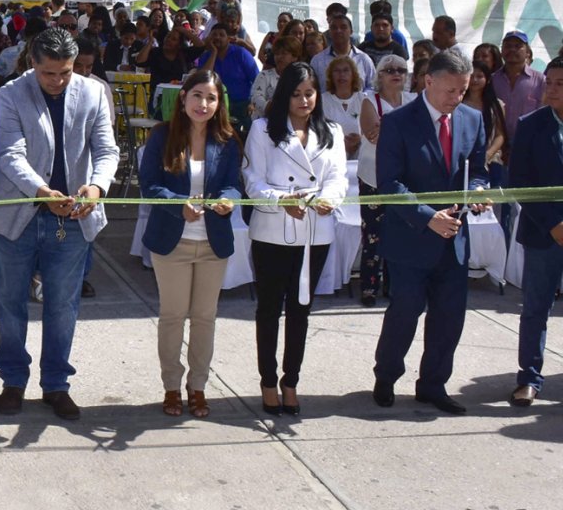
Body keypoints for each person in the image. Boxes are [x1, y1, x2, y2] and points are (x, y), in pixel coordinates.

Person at [0, 27, 119, 421]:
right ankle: (13, 380)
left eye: (66, 72)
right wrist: (41, 191)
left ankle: (56, 383)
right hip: (17, 218)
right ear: (32, 64)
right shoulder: (11, 94)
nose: (57, 81)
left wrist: (96, 187)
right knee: (10, 302)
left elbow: (107, 149)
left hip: (74, 218)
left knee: (63, 306)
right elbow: (10, 154)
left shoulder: (93, 93)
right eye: (48, 73)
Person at [373, 50, 489, 415]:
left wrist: (481, 191)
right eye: (451, 91)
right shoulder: (398, 122)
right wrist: (427, 216)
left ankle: (433, 385)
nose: (457, 99)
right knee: (405, 312)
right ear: (429, 82)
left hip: (454, 240)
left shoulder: (472, 119)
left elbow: (480, 169)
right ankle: (386, 376)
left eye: (462, 91)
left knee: (449, 316)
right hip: (411, 239)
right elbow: (389, 184)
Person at [243, 62, 348, 417]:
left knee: (301, 310)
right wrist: (279, 201)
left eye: (310, 94)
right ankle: (268, 380)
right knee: (269, 309)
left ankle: (292, 381)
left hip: (315, 233)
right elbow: (253, 181)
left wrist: (328, 199)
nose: (304, 101)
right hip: (273, 231)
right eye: (296, 94)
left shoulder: (330, 130)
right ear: (284, 95)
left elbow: (338, 179)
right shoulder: (262, 130)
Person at [139, 69, 241, 419]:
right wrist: (176, 204)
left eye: (212, 98)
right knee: (172, 317)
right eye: (197, 95)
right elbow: (149, 185)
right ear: (183, 97)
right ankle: (171, 386)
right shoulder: (162, 136)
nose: (204, 104)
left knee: (204, 318)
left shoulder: (227, 140)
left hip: (213, 244)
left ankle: (198, 387)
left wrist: (227, 200)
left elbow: (233, 184)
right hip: (173, 244)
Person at [506, 56, 563, 408]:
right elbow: (520, 183)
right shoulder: (530, 125)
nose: (551, 89)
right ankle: (529, 377)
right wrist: (555, 225)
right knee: (535, 307)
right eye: (550, 83)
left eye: (560, 84)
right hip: (545, 233)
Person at [357, 54, 417, 307]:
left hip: (405, 177)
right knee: (373, 235)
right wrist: (402, 133)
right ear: (379, 75)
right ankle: (369, 287)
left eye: (402, 70)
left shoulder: (414, 100)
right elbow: (373, 135)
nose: (397, 73)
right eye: (390, 69)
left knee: (404, 233)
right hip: (373, 177)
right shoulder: (368, 100)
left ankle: (396, 287)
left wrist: (389, 129)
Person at [197, 25, 260, 128]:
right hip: (216, 104)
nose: (217, 37)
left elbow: (257, 79)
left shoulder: (241, 53)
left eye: (221, 35)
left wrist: (254, 102)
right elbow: (203, 80)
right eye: (214, 35)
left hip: (242, 105)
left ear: (228, 39)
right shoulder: (206, 56)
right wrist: (214, 53)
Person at [463, 61, 507, 188]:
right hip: (465, 159)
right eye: (471, 76)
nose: (474, 80)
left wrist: (487, 154)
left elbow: (500, 135)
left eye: (479, 76)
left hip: (491, 160)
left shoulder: (496, 104)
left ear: (487, 79)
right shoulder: (458, 104)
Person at [494, 30, 544, 142]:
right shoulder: (492, 80)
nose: (512, 49)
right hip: (497, 147)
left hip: (530, 144)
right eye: (508, 46)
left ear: (527, 52)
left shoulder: (540, 81)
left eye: (518, 46)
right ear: (501, 51)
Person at [310, 15, 376, 97]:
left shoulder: (364, 59)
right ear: (329, 32)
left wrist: (360, 99)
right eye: (334, 28)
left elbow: (373, 87)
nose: (338, 31)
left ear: (351, 31)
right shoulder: (317, 61)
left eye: (343, 27)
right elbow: (311, 88)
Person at [321, 56, 367, 159]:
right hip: (332, 158)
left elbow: (373, 131)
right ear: (331, 76)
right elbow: (318, 133)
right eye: (336, 71)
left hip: (361, 159)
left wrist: (361, 140)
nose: (341, 75)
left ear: (353, 75)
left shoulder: (364, 100)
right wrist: (341, 145)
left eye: (346, 70)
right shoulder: (322, 101)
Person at [250, 36, 301, 119]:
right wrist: (270, 108)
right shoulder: (264, 75)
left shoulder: (300, 79)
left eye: (284, 53)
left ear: (294, 57)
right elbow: (256, 97)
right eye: (277, 54)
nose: (279, 57)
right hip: (263, 124)